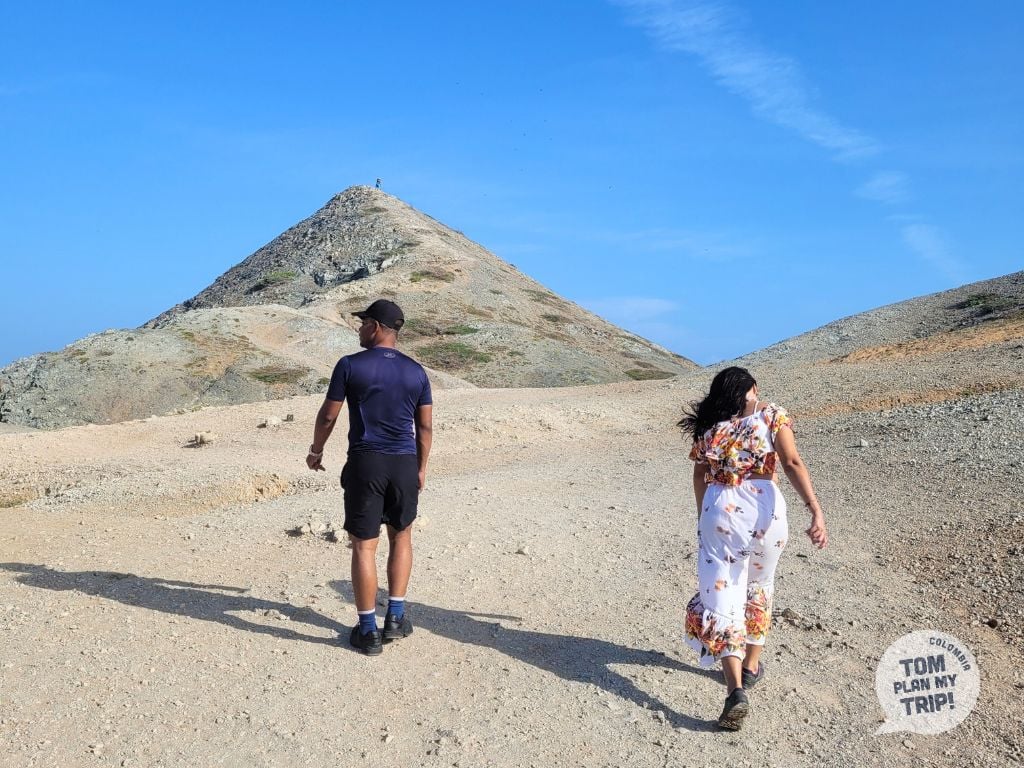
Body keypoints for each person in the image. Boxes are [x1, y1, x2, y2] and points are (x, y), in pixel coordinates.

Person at [679, 366, 827, 729]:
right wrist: (815, 509)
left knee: (722, 592)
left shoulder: (711, 426)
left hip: (721, 509)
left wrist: (704, 515)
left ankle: (735, 690)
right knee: (760, 586)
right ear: (752, 389)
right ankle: (751, 666)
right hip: (766, 509)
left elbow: (699, 475)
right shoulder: (772, 415)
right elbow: (791, 462)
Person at [306, 299, 433, 655]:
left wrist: (316, 451)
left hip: (367, 462)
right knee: (401, 536)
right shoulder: (417, 371)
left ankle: (367, 630)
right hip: (404, 462)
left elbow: (328, 416)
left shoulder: (350, 365)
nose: (359, 329)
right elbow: (424, 427)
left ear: (376, 326)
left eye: (363, 323)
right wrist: (421, 468)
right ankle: (395, 618)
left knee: (364, 545)